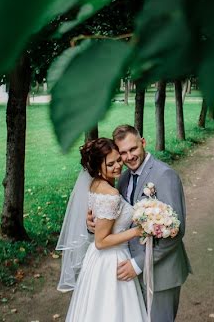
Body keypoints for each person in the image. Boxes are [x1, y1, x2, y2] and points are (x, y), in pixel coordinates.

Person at [92, 125, 192, 322]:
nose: (129, 157)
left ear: (143, 143)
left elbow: (176, 231)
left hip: (161, 274)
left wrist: (137, 265)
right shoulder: (123, 178)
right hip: (129, 273)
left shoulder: (165, 175)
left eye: (133, 149)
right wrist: (93, 223)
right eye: (123, 153)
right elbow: (116, 219)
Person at [57, 137, 148, 322]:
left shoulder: (95, 184)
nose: (117, 167)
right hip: (111, 260)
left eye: (118, 160)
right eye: (110, 164)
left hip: (97, 261)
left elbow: (99, 226)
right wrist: (138, 231)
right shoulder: (111, 194)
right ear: (99, 167)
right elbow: (101, 242)